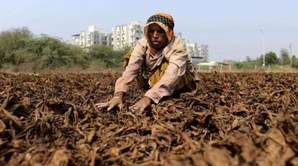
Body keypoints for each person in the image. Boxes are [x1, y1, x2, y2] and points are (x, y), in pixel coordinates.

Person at [96, 13, 199, 112]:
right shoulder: (143, 44)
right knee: (130, 55)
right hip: (155, 77)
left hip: (182, 83)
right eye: (152, 31)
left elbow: (172, 75)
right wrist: (118, 95)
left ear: (169, 33)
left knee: (165, 65)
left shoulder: (178, 47)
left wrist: (148, 98)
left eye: (160, 31)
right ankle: (151, 88)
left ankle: (164, 93)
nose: (155, 35)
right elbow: (131, 70)